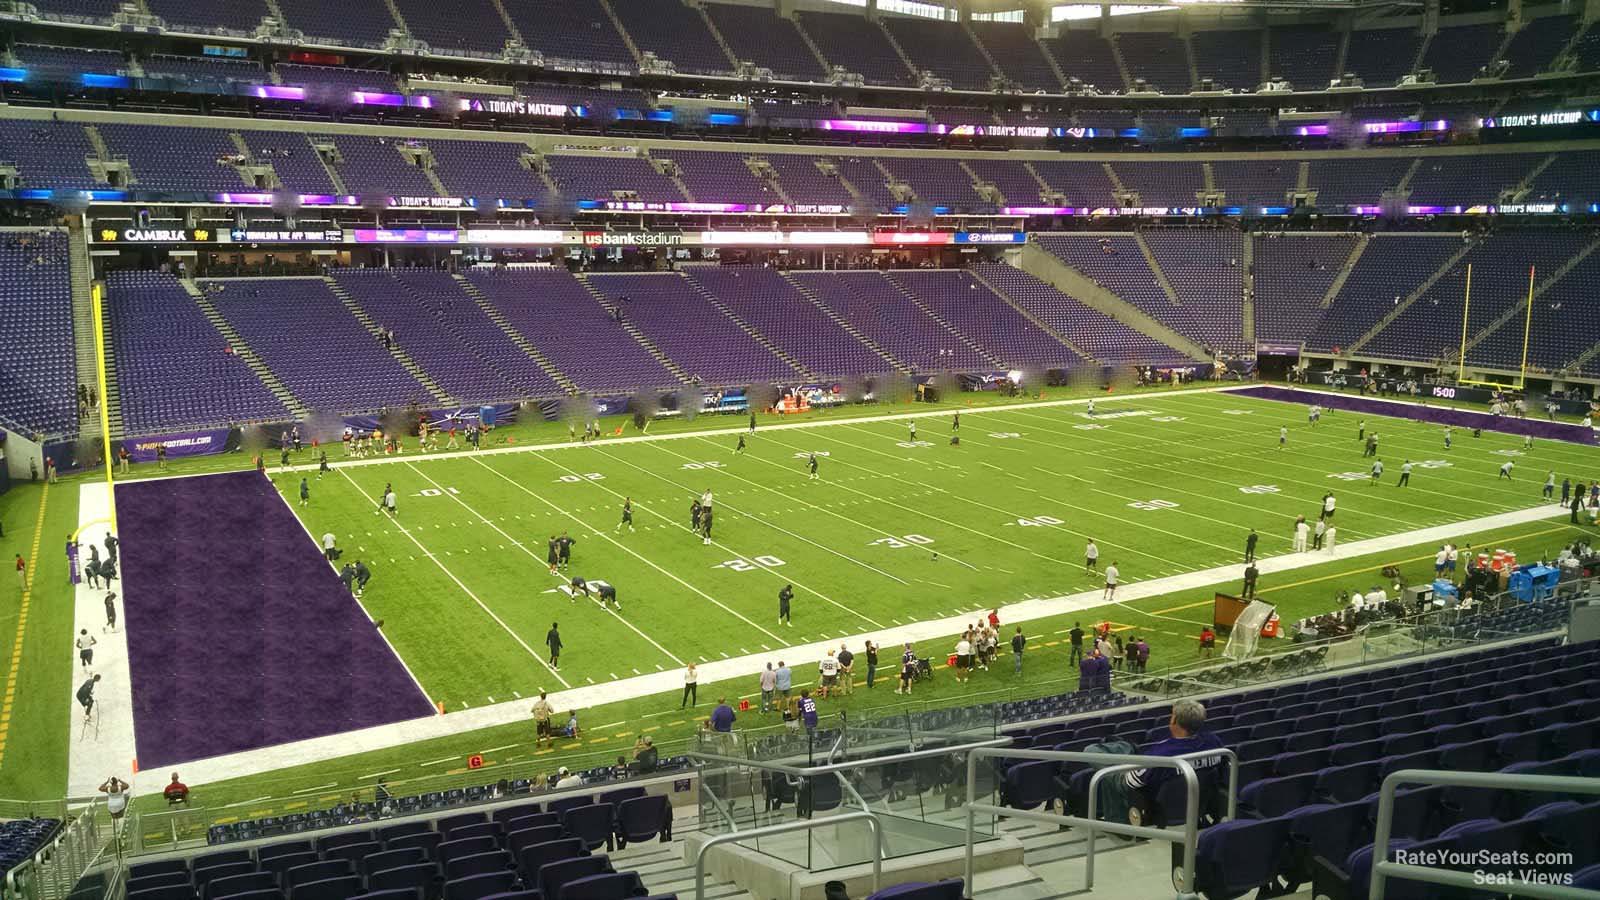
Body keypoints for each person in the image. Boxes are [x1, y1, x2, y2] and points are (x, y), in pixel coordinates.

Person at [1121, 700, 1225, 827]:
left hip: (1164, 808)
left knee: (1110, 777)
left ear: (1174, 720)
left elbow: (1132, 781)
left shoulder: (1162, 753)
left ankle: (1119, 824)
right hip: (1200, 804)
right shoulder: (1214, 742)